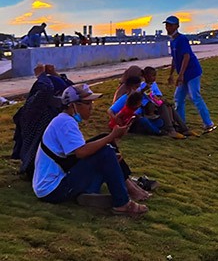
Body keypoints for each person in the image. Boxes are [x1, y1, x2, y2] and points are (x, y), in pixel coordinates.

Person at [32, 84, 149, 216]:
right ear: (73, 105)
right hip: (53, 189)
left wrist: (110, 153)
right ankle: (122, 204)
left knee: (104, 146)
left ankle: (89, 192)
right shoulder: (65, 123)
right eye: (87, 103)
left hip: (56, 182)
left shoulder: (64, 119)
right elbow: (81, 152)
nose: (91, 107)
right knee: (106, 151)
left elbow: (76, 153)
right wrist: (112, 137)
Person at [164, 15, 216, 133]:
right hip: (183, 74)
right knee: (178, 98)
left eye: (170, 25)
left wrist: (181, 74)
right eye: (166, 25)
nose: (167, 27)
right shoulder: (172, 41)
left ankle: (208, 124)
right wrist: (171, 74)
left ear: (177, 26)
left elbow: (186, 56)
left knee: (195, 96)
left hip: (192, 72)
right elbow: (175, 59)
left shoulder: (182, 39)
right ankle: (181, 123)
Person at [12, 65, 64, 178]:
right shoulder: (34, 110)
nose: (60, 99)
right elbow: (46, 89)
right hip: (35, 168)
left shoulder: (51, 110)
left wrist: (55, 74)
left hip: (43, 166)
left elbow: (74, 91)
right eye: (58, 94)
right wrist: (41, 75)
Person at [141, 66, 194, 138]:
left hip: (156, 103)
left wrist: (162, 100)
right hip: (149, 106)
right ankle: (170, 129)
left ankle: (184, 128)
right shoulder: (143, 86)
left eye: (155, 76)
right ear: (146, 76)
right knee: (164, 105)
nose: (154, 78)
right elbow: (151, 97)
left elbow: (158, 95)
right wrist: (161, 101)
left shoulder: (153, 84)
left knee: (169, 106)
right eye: (152, 76)